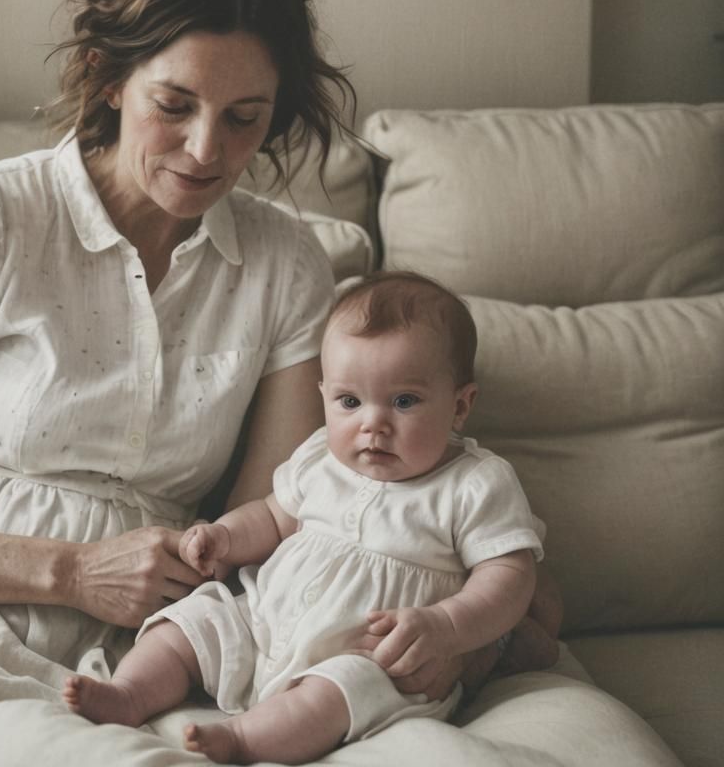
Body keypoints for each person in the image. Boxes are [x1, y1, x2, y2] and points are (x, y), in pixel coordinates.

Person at [0, 0, 557, 709]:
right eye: (174, 104)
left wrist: (464, 633)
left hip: (161, 634)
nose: (205, 150)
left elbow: (290, 512)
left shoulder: (285, 267)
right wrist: (72, 572)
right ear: (108, 78)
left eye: (243, 118)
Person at [63, 271, 558, 765]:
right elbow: (272, 518)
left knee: (340, 691)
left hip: (370, 656)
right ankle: (128, 693)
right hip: (262, 621)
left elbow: (510, 575)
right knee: (194, 620)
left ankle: (243, 740)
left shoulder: (474, 484)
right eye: (349, 401)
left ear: (460, 405)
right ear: (324, 395)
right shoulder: (321, 457)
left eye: (404, 401)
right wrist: (224, 536)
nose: (373, 424)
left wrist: (445, 627)